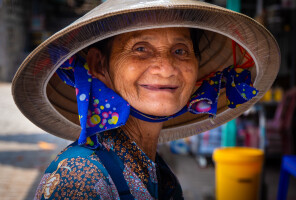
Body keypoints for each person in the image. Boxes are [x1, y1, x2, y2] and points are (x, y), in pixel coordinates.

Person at [12, 0, 280, 199]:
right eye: (141, 49)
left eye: (180, 50)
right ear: (98, 65)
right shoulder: (81, 177)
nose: (166, 68)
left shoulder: (159, 173)